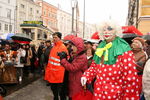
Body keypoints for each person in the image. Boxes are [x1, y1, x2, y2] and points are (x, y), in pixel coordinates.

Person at [81, 20, 141, 100]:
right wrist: (86, 75)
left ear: (116, 30)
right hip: (99, 93)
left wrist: (128, 97)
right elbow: (94, 66)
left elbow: (130, 77)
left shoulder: (122, 47)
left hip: (115, 94)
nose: (106, 32)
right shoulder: (101, 46)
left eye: (110, 29)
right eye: (104, 29)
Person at [58, 36, 88, 100]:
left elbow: (72, 68)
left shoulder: (82, 57)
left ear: (78, 47)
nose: (71, 48)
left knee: (75, 97)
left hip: (77, 83)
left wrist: (63, 60)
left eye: (73, 46)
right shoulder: (76, 55)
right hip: (73, 81)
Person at [44, 32, 68, 100]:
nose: (54, 39)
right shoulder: (54, 46)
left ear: (59, 38)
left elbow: (65, 61)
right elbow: (51, 60)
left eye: (55, 37)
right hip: (52, 73)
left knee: (59, 91)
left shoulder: (62, 47)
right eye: (53, 37)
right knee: (53, 89)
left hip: (58, 74)